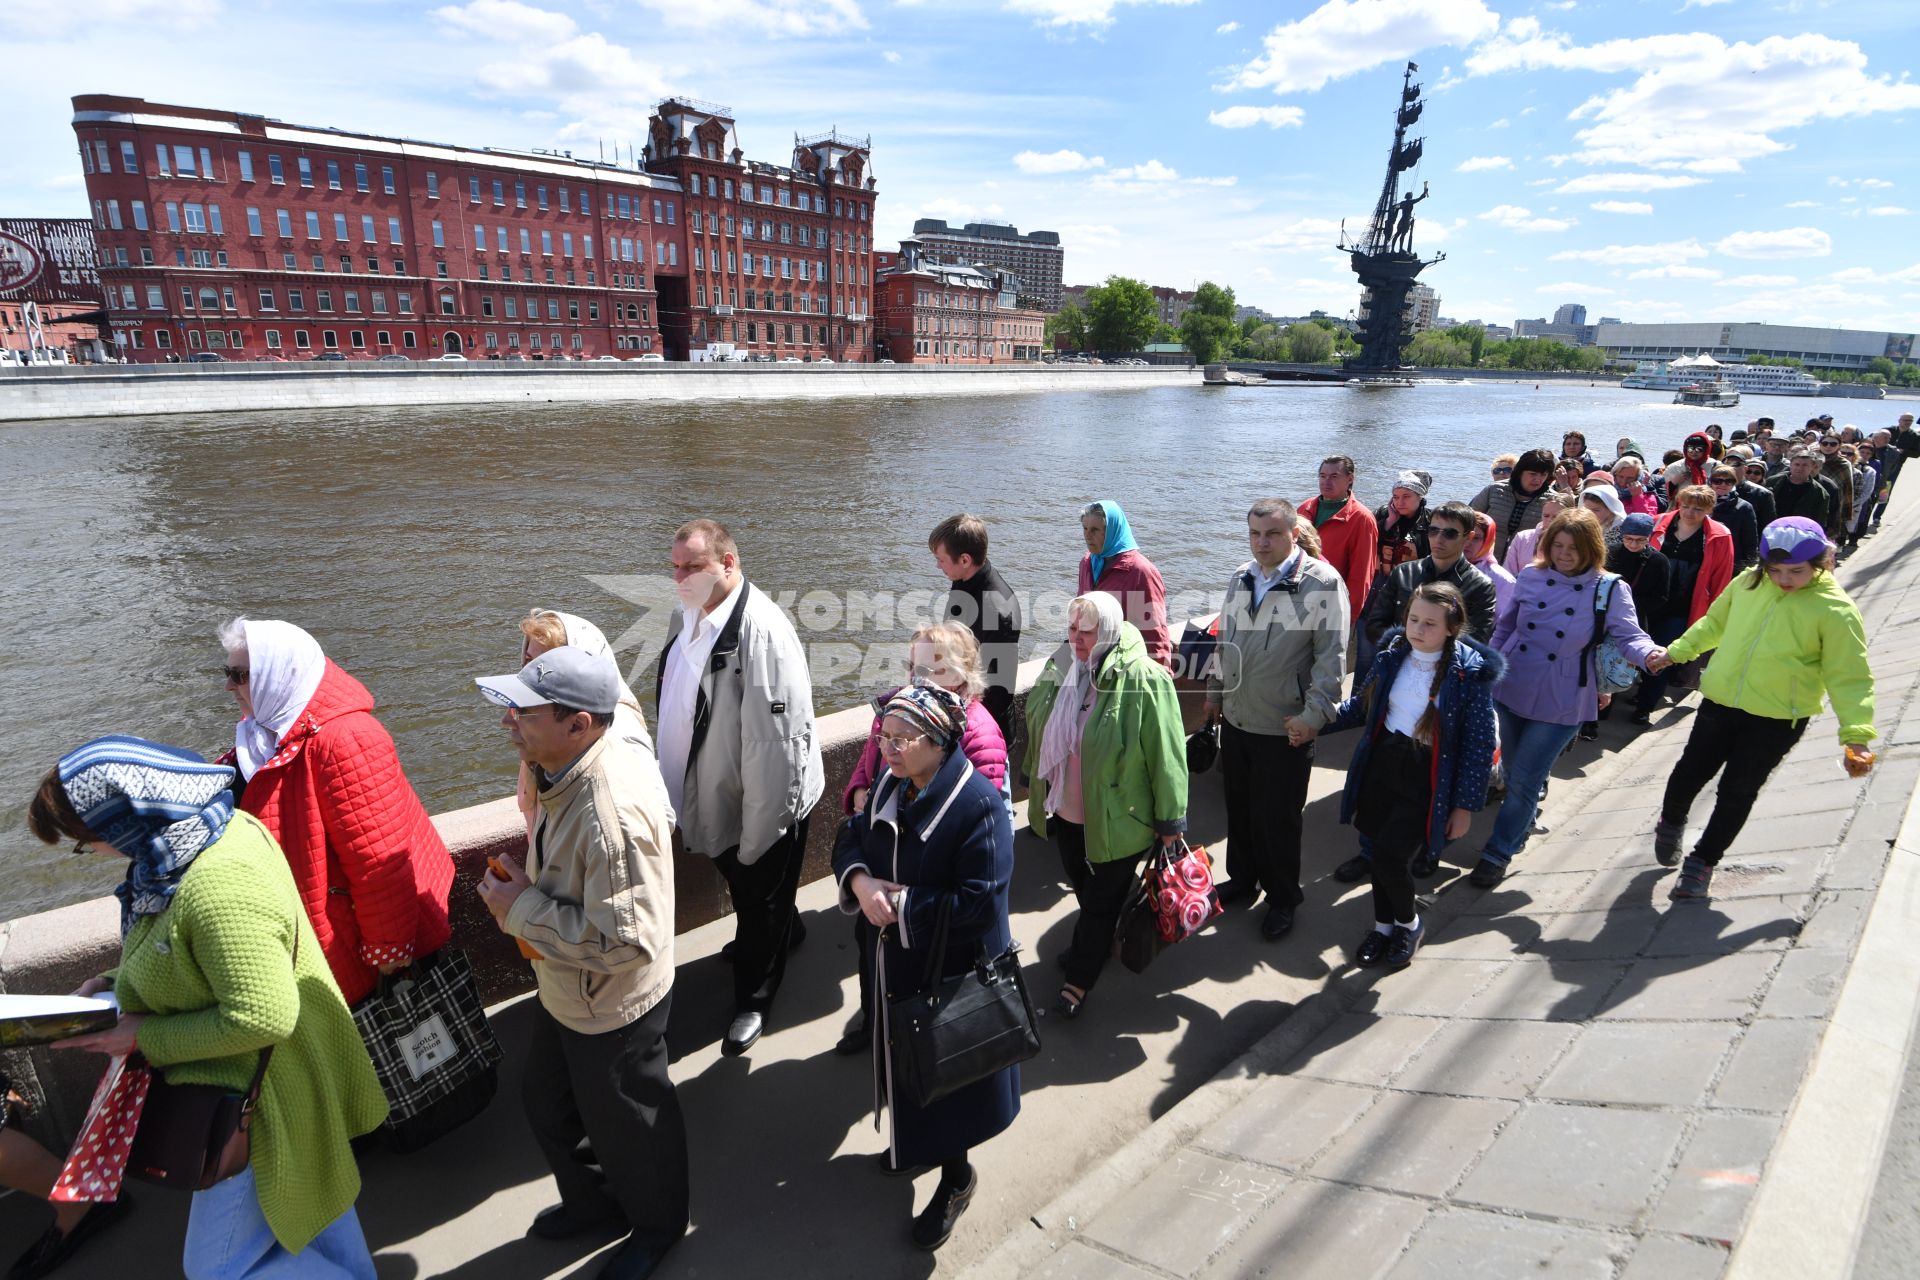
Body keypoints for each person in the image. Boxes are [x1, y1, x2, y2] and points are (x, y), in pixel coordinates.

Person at [31, 736, 387, 1278]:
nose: (97, 854)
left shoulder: (215, 882)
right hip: (273, 1080)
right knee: (317, 1215)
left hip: (257, 1099)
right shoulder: (194, 841)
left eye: (89, 842)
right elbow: (181, 954)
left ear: (122, 820)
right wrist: (112, 980)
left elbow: (263, 1015)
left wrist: (141, 1037)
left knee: (217, 1270)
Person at [474, 648, 689, 1279]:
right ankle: (596, 1203)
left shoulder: (609, 815)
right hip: (571, 989)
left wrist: (521, 910)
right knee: (547, 1103)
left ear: (579, 724)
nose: (509, 720)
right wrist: (530, 891)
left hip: (612, 1004)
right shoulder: (563, 766)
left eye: (524, 711)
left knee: (632, 1127)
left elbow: (629, 942)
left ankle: (656, 1227)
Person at [832, 685, 1018, 1250]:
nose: (884, 748)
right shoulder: (893, 782)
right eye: (882, 736)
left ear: (937, 742)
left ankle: (957, 1178)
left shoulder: (979, 807)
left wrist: (901, 907)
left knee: (946, 1082)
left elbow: (980, 901)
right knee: (906, 1070)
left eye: (899, 738)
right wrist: (862, 883)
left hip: (951, 978)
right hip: (898, 966)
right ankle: (914, 1148)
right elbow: (848, 838)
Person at [217, 618, 454, 1007]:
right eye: (228, 672)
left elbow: (380, 865)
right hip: (330, 941)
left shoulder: (347, 739)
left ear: (281, 675)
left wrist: (390, 957)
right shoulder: (264, 734)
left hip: (365, 953)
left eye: (239, 675)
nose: (228, 685)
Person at [655, 519, 823, 1057]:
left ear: (728, 563)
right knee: (754, 895)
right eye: (675, 566)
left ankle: (755, 997)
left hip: (758, 805)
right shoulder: (691, 615)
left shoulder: (763, 632)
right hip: (714, 793)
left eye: (693, 566)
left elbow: (777, 748)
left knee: (757, 897)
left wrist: (759, 836)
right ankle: (783, 932)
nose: (680, 576)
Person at [1649, 518, 1876, 900]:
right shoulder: (1749, 582)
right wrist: (1676, 652)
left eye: (1796, 572)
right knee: (1689, 773)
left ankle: (1702, 862)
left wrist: (1857, 736)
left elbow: (1850, 676)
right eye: (1776, 571)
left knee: (1737, 791)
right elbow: (1713, 625)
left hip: (1777, 719)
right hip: (1720, 703)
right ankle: (1670, 822)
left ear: (1822, 562)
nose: (1785, 580)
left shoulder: (1836, 609)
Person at [836, 622, 1008, 1055]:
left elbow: (972, 842)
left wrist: (899, 899)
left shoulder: (978, 741)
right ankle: (878, 1027)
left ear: (961, 677)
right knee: (877, 972)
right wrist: (861, 790)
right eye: (914, 668)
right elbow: (873, 756)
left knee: (937, 1027)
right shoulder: (905, 720)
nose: (917, 680)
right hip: (885, 893)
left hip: (931, 922)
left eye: (930, 671)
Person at [1476, 510, 1660, 887]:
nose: (1563, 554)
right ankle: (1522, 824)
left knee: (1526, 779)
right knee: (1512, 772)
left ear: (1591, 548)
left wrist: (1651, 654)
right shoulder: (1530, 575)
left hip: (1563, 694)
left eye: (1573, 548)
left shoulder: (1608, 587)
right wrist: (1487, 669)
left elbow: (1629, 634)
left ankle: (1497, 853)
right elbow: (1506, 626)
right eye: (1557, 545)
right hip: (1513, 683)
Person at [1024, 593, 1187, 1014]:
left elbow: (1166, 752)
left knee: (1098, 902)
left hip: (1120, 817)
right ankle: (1100, 934)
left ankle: (1078, 980)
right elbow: (1039, 723)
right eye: (1072, 629)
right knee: (1083, 884)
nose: (1076, 639)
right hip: (1068, 809)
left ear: (1110, 631)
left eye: (1087, 631)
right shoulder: (1063, 665)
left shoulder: (1145, 678)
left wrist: (1171, 817)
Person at [1328, 583, 1502, 965]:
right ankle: (1382, 928)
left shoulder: (1467, 675)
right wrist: (1315, 721)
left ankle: (1409, 924)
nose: (1418, 629)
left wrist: (1464, 806)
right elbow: (1362, 707)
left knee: (1391, 858)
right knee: (1376, 851)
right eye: (1413, 619)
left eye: (1430, 624)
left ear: (1452, 628)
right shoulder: (1393, 655)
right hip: (1382, 765)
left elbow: (1478, 746)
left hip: (1426, 775)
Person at [1203, 500, 1348, 934]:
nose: (1261, 543)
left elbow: (1331, 657)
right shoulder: (1241, 577)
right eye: (1254, 534)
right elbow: (1224, 640)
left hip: (1286, 726)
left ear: (1293, 534)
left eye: (1271, 534)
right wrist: (1214, 694)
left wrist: (1313, 717)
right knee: (1242, 808)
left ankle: (1284, 897)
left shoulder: (1322, 584)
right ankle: (1244, 880)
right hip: (1238, 718)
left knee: (1279, 818)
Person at [515, 609, 658, 840]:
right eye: (530, 662)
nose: (530, 674)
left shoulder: (619, 729)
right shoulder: (545, 719)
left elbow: (654, 817)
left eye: (547, 665)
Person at [1634, 486, 1735, 723]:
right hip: (1649, 600)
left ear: (1709, 509)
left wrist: (1713, 613)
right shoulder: (1657, 523)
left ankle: (1646, 704)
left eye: (1698, 509)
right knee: (1637, 647)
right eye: (1686, 506)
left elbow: (1722, 577)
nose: (1689, 512)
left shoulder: (1720, 536)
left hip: (1683, 605)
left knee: (1662, 651)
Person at [1360, 500, 1497, 657]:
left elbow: (1476, 641)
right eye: (1433, 531)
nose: (1438, 539)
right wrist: (1404, 649)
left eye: (1450, 533)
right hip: (1396, 662)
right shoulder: (1403, 572)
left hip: (1443, 673)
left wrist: (1425, 654)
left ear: (1468, 537)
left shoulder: (1481, 585)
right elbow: (1375, 625)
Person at [929, 514, 1022, 741]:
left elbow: (998, 692)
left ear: (964, 560)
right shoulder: (964, 578)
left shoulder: (998, 611)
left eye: (941, 560)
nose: (937, 565)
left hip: (984, 733)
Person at [1077, 500, 1172, 669]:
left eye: (1095, 530)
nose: (1087, 535)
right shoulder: (1087, 563)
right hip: (1092, 664)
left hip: (1125, 666)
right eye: (1085, 528)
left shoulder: (1140, 571)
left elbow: (1155, 632)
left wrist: (1161, 675)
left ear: (1112, 531)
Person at [1299, 455, 1378, 628]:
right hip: (1298, 602)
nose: (1326, 482)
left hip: (1331, 607)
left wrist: (1347, 619)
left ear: (1350, 479)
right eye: (1322, 476)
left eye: (1334, 476)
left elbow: (1361, 576)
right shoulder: (1305, 508)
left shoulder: (1361, 518)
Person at [1471, 447, 1556, 561]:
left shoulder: (1552, 500)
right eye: (1533, 474)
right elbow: (1468, 519)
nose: (1538, 479)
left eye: (1543, 475)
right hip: (1483, 561)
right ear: (1520, 472)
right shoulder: (1494, 490)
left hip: (1523, 566)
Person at [1502, 489, 1579, 579]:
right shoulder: (1522, 537)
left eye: (1556, 516)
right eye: (1546, 516)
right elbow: (1508, 573)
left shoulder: (1575, 542)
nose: (1550, 520)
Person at [1373, 470, 1433, 580]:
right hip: (1378, 582)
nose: (1400, 502)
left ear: (1420, 497)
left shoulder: (1430, 521)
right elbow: (1365, 543)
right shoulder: (1381, 514)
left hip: (1412, 584)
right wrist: (1389, 521)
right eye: (1395, 497)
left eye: (1406, 496)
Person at [1464, 510, 1516, 610]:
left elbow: (1504, 621)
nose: (1468, 542)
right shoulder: (1441, 566)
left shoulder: (1502, 580)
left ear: (1487, 541)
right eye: (1465, 536)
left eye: (1476, 538)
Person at [1709, 465, 1759, 570]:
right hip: (1702, 559)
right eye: (1717, 481)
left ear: (1734, 483)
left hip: (1730, 562)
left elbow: (1750, 542)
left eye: (1729, 481)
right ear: (1710, 482)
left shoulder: (1744, 507)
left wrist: (1750, 568)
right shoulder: (1700, 503)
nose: (1723, 484)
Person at [1767, 448, 1832, 527]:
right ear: (1790, 465)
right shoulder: (1772, 482)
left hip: (1801, 532)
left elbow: (1819, 521)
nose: (1800, 468)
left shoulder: (1820, 493)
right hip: (1773, 529)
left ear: (1812, 467)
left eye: (1805, 465)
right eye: (1797, 464)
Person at [1815, 432, 1853, 539]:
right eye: (1825, 443)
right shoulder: (1811, 459)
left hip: (1832, 504)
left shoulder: (1844, 464)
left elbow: (1847, 488)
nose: (1828, 446)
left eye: (1833, 444)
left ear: (1839, 445)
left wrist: (1845, 513)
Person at [1726, 450, 1777, 530]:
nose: (1732, 467)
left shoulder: (1763, 494)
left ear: (1745, 469)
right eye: (1728, 464)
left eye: (1737, 464)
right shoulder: (1715, 488)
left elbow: (1768, 527)